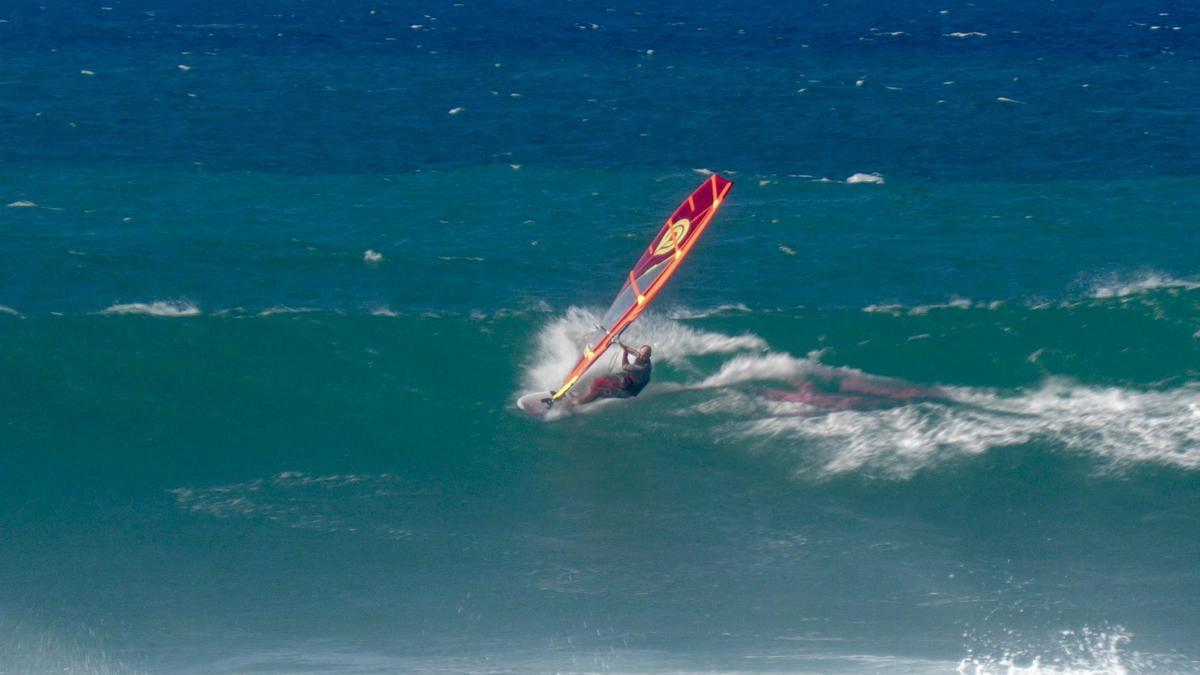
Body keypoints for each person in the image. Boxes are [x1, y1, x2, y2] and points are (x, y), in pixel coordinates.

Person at [573, 344, 653, 405]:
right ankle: (583, 395)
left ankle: (575, 403)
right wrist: (620, 344)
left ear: (649, 356)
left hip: (628, 391)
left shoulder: (643, 368)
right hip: (625, 379)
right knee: (599, 381)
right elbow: (634, 352)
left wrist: (625, 353)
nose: (641, 356)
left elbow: (625, 366)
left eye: (645, 355)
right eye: (641, 353)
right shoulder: (641, 355)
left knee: (599, 392)